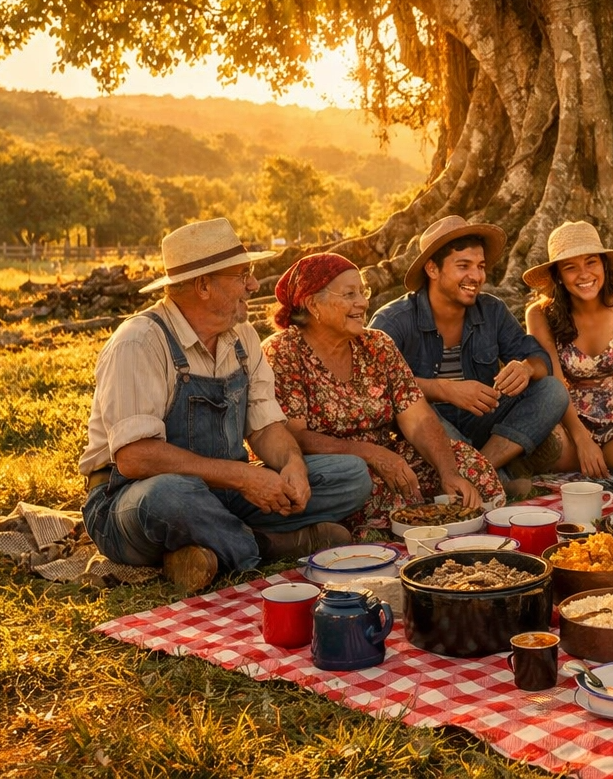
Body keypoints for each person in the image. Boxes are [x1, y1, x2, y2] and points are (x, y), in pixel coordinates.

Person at [79, 219, 371, 592]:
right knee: (171, 496)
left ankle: (207, 545)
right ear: (203, 286)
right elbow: (136, 458)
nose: (254, 285)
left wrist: (292, 465)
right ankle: (267, 545)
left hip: (225, 493)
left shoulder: (242, 338)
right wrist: (243, 478)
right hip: (129, 500)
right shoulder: (139, 342)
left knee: (351, 476)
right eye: (242, 276)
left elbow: (266, 427)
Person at [263, 253, 504, 535]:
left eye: (362, 292)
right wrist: (370, 453)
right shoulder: (284, 351)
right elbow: (293, 436)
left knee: (464, 462)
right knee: (361, 479)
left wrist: (447, 472)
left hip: (388, 458)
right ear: (313, 303)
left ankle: (462, 521)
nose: (363, 303)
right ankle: (323, 532)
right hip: (334, 468)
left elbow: (419, 419)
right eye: (350, 294)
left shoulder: (377, 344)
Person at [369, 216, 568, 487]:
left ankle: (481, 471)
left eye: (480, 266)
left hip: (483, 420)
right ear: (432, 269)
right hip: (428, 425)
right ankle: (495, 477)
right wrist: (445, 390)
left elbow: (538, 357)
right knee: (425, 414)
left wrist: (527, 368)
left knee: (552, 390)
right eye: (463, 266)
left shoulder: (492, 310)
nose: (476, 276)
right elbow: (374, 385)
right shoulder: (394, 320)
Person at [523, 221, 613, 478]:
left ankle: (608, 459)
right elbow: (556, 383)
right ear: (558, 276)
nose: (584, 274)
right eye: (570, 267)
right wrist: (582, 439)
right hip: (567, 420)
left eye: (591, 262)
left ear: (604, 265)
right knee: (551, 453)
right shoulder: (540, 315)